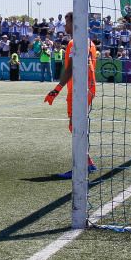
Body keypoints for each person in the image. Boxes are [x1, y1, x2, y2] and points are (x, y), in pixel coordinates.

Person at [43, 11, 98, 178]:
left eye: (67, 23)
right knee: (75, 126)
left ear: (74, 24)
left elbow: (72, 66)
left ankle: (79, 167)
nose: (64, 27)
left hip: (79, 90)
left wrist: (57, 88)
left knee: (76, 127)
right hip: (84, 89)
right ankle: (88, 163)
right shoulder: (89, 42)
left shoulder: (76, 42)